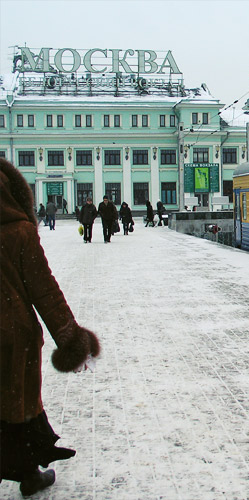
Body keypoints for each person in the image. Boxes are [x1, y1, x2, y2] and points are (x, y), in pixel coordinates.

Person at [0, 158, 101, 497]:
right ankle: (28, 473)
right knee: (16, 402)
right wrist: (72, 339)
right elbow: (43, 290)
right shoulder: (18, 231)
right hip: (12, 338)